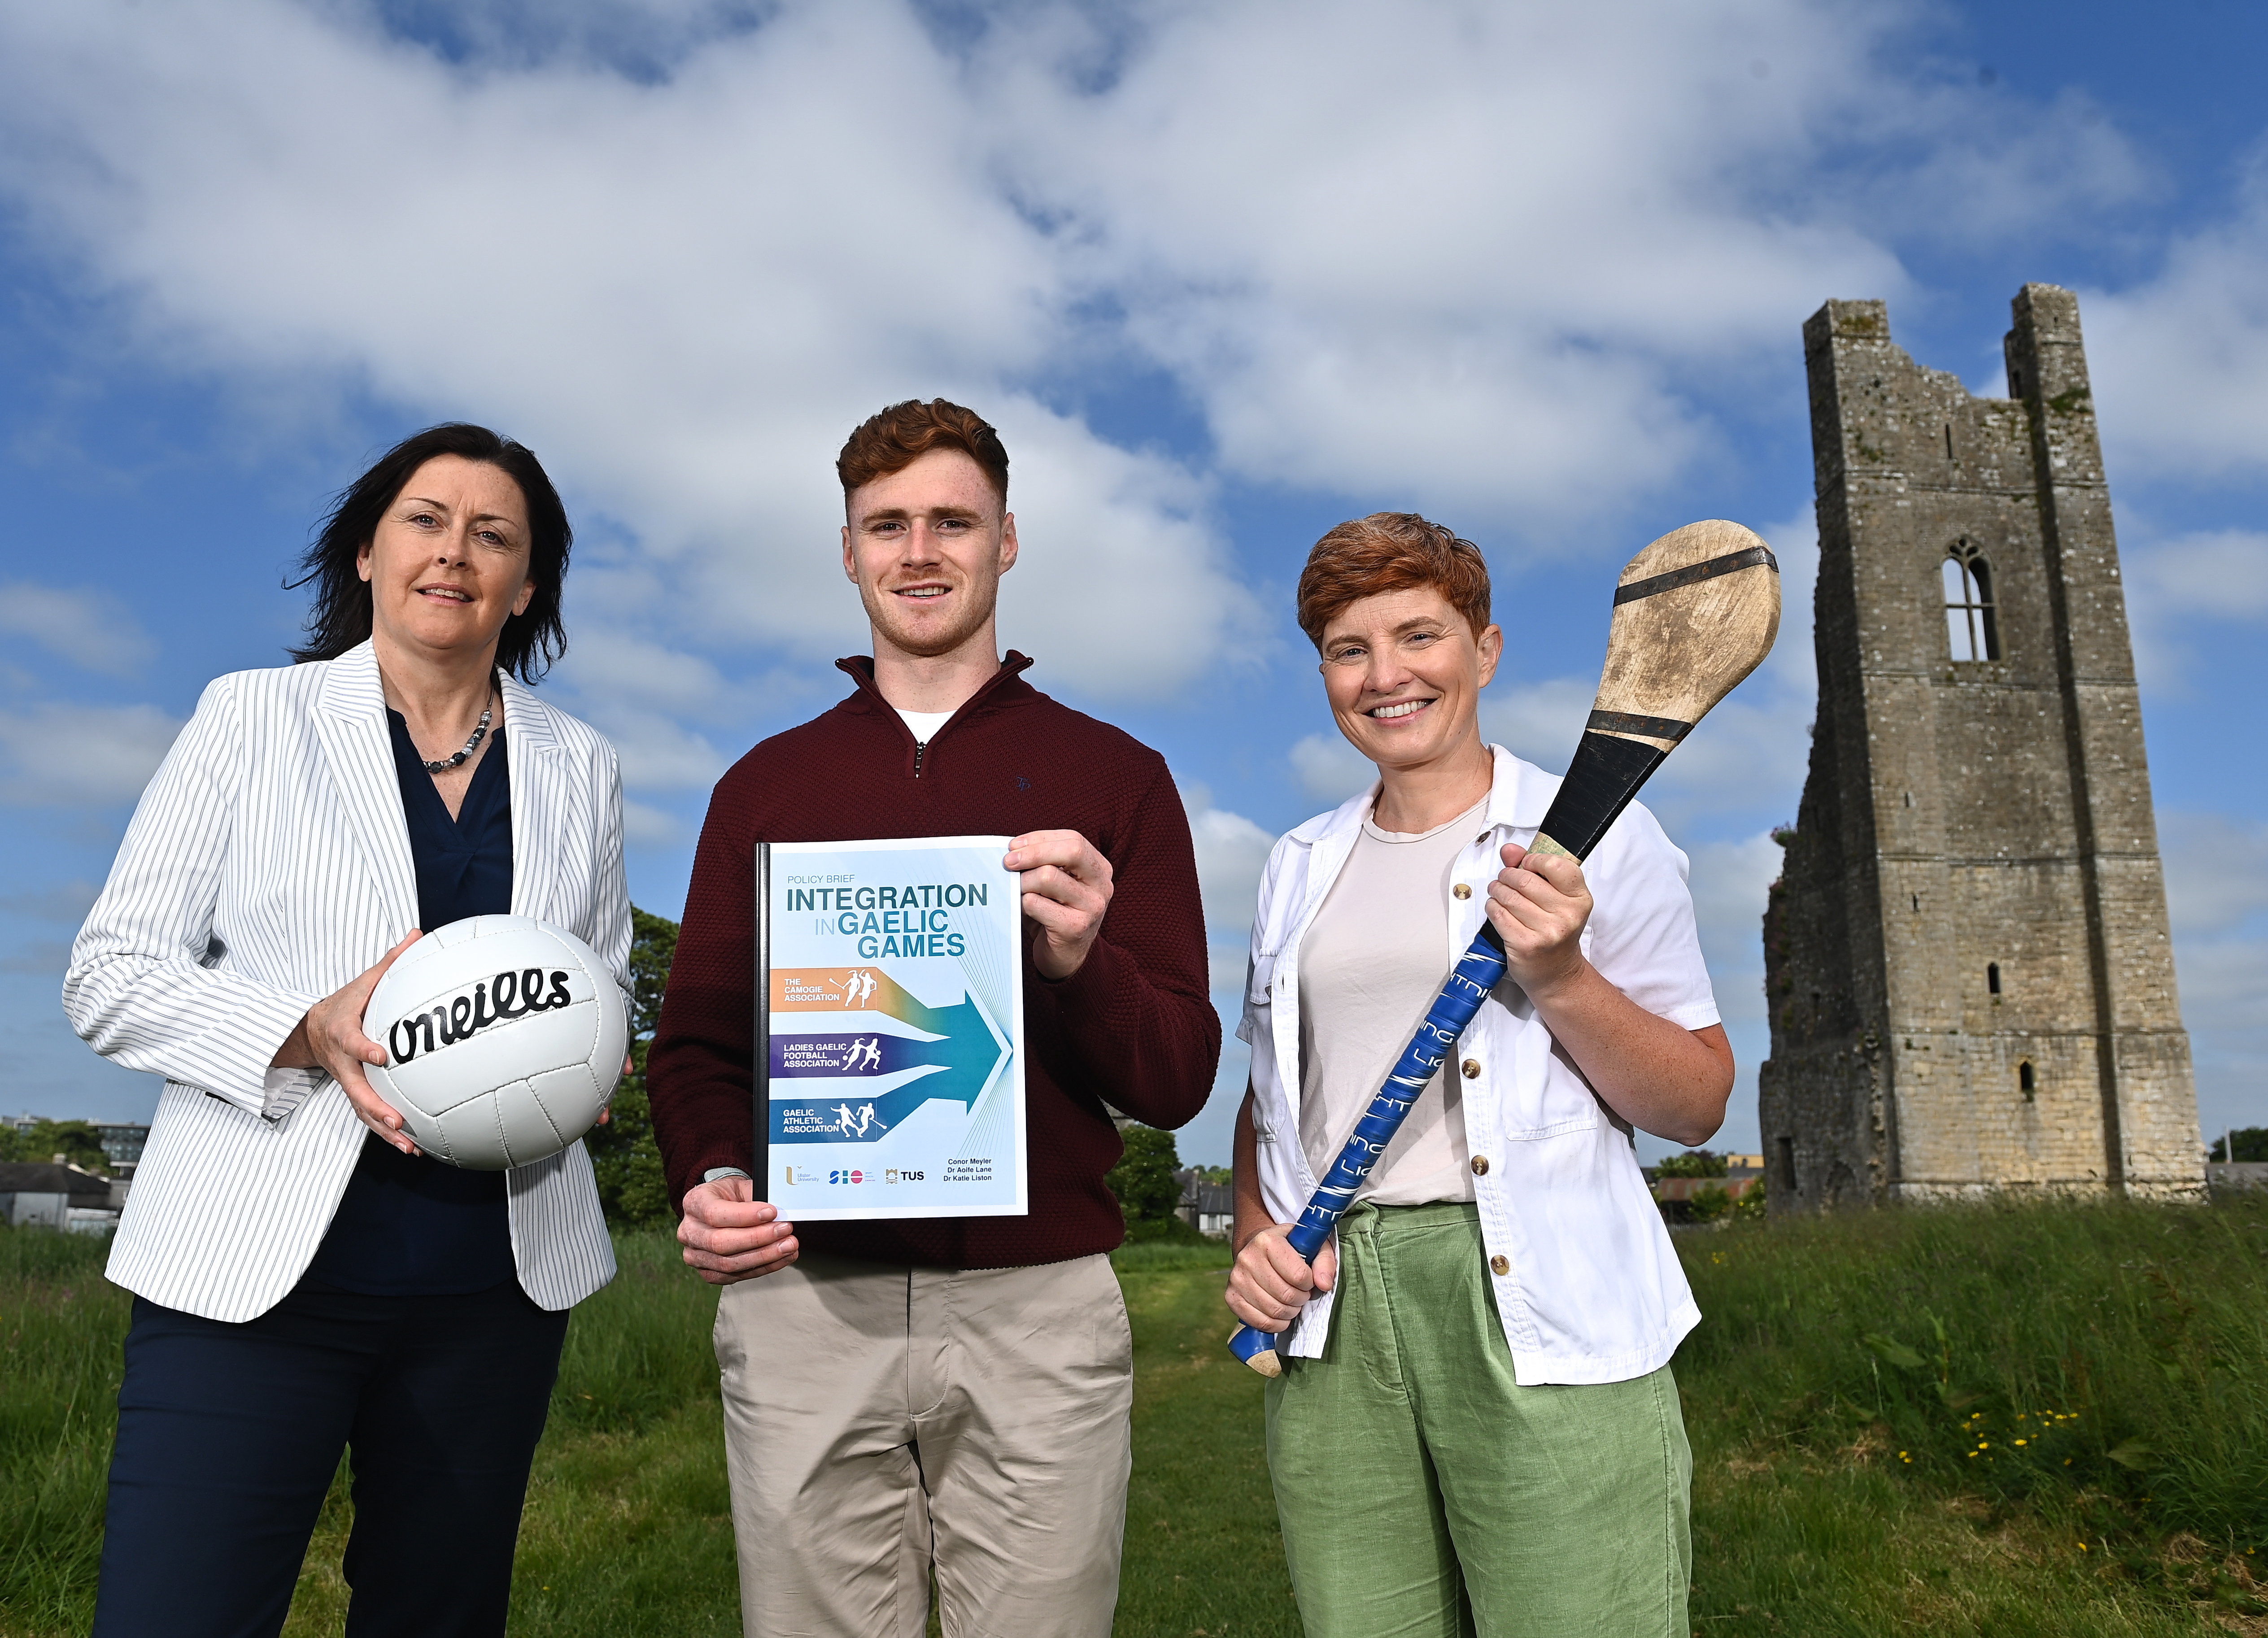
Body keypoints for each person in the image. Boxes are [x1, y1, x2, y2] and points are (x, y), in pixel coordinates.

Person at [647, 398, 1219, 1638]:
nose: (921, 551)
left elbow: (1178, 1073)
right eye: (888, 524)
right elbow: (696, 1046)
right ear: (847, 550)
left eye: (953, 521)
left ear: (1007, 540)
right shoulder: (764, 784)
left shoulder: (1117, 776)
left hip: (1039, 1305)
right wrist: (714, 1170)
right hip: (806, 1299)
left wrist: (1081, 961)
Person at [64, 423, 632, 1638]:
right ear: (368, 550)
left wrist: (594, 1057)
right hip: (254, 1278)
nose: (455, 552)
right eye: (426, 520)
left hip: (495, 1284)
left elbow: (602, 982)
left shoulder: (582, 764)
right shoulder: (251, 718)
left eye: (495, 534)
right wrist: (302, 1025)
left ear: (528, 585)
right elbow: (110, 974)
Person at [1223, 513, 1732, 1638]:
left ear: (1485, 649)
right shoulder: (1293, 864)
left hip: (1535, 1298)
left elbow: (1695, 1102)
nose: (1385, 674)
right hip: (1336, 1314)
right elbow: (1272, 1100)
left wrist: (1559, 974)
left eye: (1418, 635)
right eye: (1348, 650)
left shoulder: (1601, 833)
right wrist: (1257, 1236)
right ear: (1321, 673)